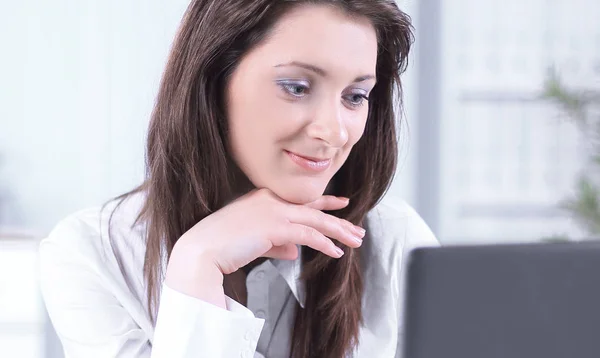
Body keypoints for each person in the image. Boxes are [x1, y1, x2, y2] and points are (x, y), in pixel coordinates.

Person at [39, 0, 438, 357]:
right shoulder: (94, 254)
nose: (334, 133)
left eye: (355, 96)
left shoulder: (396, 242)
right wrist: (198, 265)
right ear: (213, 79)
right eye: (297, 88)